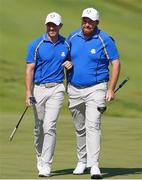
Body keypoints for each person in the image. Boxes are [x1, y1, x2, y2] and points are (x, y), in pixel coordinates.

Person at [67, 7, 121, 179]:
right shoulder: (73, 37)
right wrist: (67, 63)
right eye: (85, 20)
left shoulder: (104, 39)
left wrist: (111, 89)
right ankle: (82, 161)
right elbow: (65, 57)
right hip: (74, 88)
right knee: (79, 127)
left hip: (96, 88)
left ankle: (94, 164)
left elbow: (116, 63)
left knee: (93, 125)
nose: (87, 24)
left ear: (97, 23)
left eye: (90, 21)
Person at [25, 12, 72, 177]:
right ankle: (40, 156)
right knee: (39, 128)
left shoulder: (66, 44)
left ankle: (46, 164)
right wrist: (28, 92)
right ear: (46, 26)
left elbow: (74, 60)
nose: (52, 28)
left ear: (60, 26)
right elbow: (30, 69)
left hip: (57, 89)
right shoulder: (36, 45)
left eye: (55, 25)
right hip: (38, 89)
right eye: (49, 25)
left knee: (49, 126)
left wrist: (70, 63)